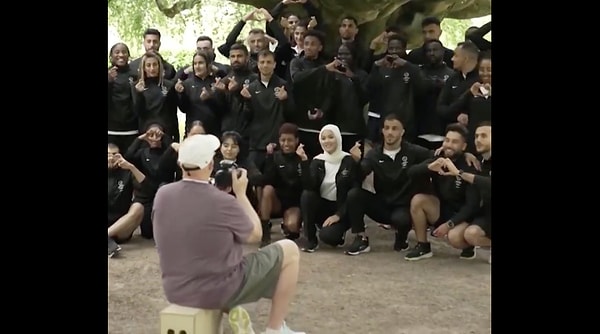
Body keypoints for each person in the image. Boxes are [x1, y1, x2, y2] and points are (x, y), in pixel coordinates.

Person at [153, 134, 305, 334]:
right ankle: (275, 329)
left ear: (180, 164)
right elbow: (255, 235)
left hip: (174, 290)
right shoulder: (223, 201)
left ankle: (231, 309)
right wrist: (241, 194)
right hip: (218, 290)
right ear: (210, 165)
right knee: (290, 250)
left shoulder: (163, 194)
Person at [345, 114, 433, 256]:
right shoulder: (374, 154)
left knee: (401, 219)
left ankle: (402, 237)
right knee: (354, 194)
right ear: (382, 131)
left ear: (402, 132)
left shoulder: (413, 151)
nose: (390, 132)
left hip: (403, 206)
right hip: (382, 204)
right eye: (387, 128)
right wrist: (355, 162)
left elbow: (435, 156)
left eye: (394, 128)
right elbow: (359, 175)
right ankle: (361, 237)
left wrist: (466, 155)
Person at [405, 123, 481, 261]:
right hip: (442, 210)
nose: (449, 145)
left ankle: (468, 246)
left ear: (464, 147)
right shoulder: (438, 157)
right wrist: (429, 167)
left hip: (464, 217)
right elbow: (410, 172)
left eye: (455, 142)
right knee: (418, 200)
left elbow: (472, 206)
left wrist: (449, 225)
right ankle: (423, 247)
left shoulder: (469, 165)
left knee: (454, 238)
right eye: (447, 140)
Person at [300, 124, 361, 252]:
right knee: (307, 195)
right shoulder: (317, 160)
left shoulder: (348, 160)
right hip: (322, 206)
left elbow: (355, 191)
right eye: (323, 138)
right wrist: (304, 162)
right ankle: (310, 239)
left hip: (341, 209)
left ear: (338, 138)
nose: (327, 141)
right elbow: (309, 186)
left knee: (329, 237)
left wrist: (338, 215)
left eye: (331, 137)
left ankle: (339, 231)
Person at [440, 122, 492, 264]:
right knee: (459, 237)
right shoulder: (478, 157)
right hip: (486, 213)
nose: (478, 140)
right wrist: (465, 153)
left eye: (484, 136)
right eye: (476, 136)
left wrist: (459, 173)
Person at [259, 123, 310, 247]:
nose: (286, 144)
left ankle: (288, 226)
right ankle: (265, 232)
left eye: (290, 140)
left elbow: (307, 184)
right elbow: (267, 179)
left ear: (297, 140)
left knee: (292, 228)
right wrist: (269, 157)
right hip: (277, 201)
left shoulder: (302, 157)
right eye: (283, 140)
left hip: (294, 204)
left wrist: (304, 161)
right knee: (267, 189)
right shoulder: (275, 156)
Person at [107, 143, 150, 257]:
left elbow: (147, 188)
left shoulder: (127, 172)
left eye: (115, 154)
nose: (111, 157)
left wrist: (131, 167)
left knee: (139, 207)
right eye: (108, 154)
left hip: (122, 226)